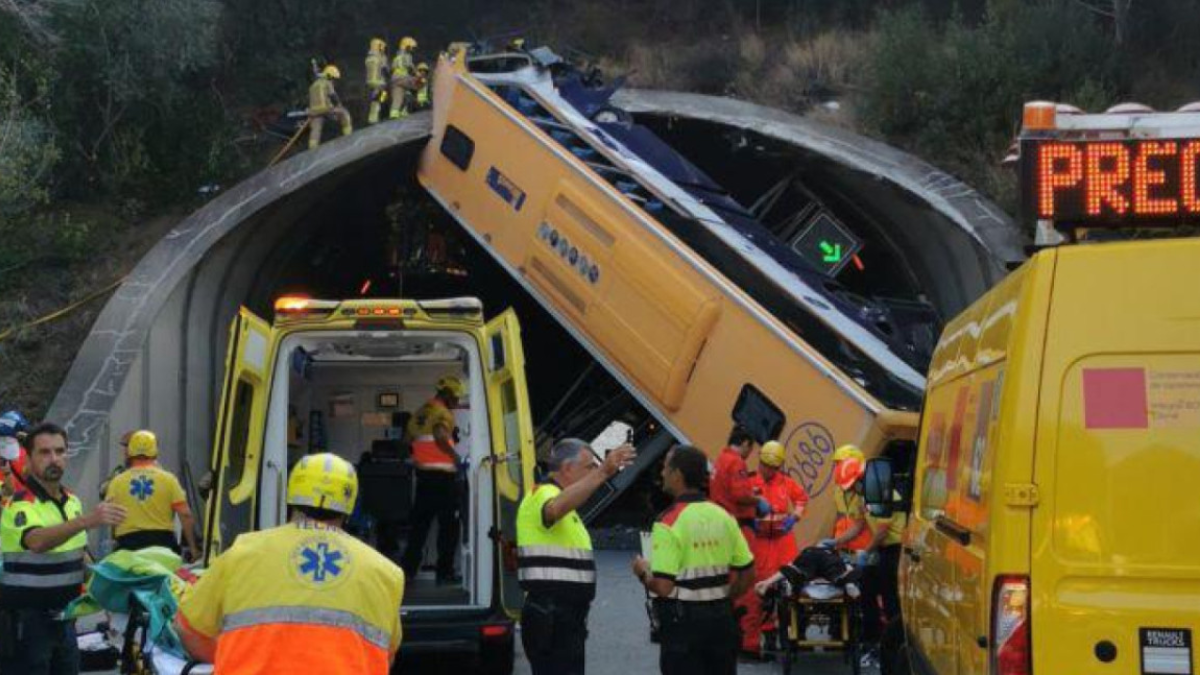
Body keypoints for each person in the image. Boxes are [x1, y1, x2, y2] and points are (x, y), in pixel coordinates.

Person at [176, 453, 405, 674]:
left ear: (291, 493)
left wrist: (234, 660)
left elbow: (188, 628)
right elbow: (385, 654)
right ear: (350, 503)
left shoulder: (243, 552)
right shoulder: (385, 573)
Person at [0, 422, 127, 675]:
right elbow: (37, 541)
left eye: (60, 451)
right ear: (30, 458)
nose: (54, 459)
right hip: (26, 625)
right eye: (44, 453)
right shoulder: (19, 504)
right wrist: (89, 520)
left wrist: (114, 586)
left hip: (65, 621)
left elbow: (76, 557)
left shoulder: (73, 502)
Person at [632, 445, 755, 675]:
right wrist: (726, 597)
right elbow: (748, 572)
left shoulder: (668, 522)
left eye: (665, 468)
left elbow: (663, 587)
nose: (662, 474)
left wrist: (642, 572)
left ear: (677, 474)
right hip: (722, 620)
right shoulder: (724, 516)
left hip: (683, 626)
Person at [517, 437, 635, 675]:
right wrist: (603, 472)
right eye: (589, 466)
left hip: (562, 615)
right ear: (568, 468)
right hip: (551, 614)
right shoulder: (543, 493)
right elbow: (554, 508)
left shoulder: (564, 505)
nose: (592, 472)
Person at [400, 376, 466, 583]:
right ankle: (444, 572)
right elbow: (439, 435)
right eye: (455, 397)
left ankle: (408, 570)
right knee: (449, 527)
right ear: (446, 394)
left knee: (419, 527)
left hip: (423, 479)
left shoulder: (421, 412)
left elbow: (405, 441)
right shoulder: (442, 413)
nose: (456, 402)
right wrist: (457, 459)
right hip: (444, 480)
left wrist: (418, 458)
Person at [819, 444, 881, 661]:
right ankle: (840, 635)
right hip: (843, 547)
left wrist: (862, 550)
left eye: (839, 463)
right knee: (842, 594)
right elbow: (840, 518)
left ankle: (865, 639)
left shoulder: (864, 491)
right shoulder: (841, 487)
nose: (836, 468)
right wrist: (833, 542)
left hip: (862, 549)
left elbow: (861, 525)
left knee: (865, 598)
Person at [747, 440, 808, 654]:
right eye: (766, 465)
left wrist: (795, 517)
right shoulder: (750, 481)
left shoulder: (786, 482)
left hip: (783, 542)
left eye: (773, 467)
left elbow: (801, 498)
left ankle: (795, 633)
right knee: (761, 591)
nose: (769, 470)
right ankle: (768, 634)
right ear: (760, 461)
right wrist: (749, 520)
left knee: (791, 586)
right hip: (761, 542)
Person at [708, 425, 762, 655]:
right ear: (746, 443)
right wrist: (757, 500)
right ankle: (748, 643)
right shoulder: (737, 462)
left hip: (722, 526)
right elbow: (740, 495)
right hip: (738, 527)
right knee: (747, 581)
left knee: (727, 578)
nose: (750, 454)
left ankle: (726, 636)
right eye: (751, 448)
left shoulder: (720, 459)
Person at [104, 430, 199, 559]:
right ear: (155, 451)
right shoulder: (169, 480)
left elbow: (111, 517)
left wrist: (115, 542)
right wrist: (194, 549)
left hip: (128, 549)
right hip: (163, 548)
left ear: (130, 452)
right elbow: (185, 515)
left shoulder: (116, 482)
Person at [308, 64, 352, 149]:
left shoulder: (313, 85)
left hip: (314, 111)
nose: (334, 81)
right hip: (326, 109)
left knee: (316, 128)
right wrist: (340, 106)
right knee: (344, 113)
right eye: (333, 78)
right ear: (329, 76)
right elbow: (333, 96)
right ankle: (349, 136)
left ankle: (312, 148)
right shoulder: (327, 82)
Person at [388, 36, 417, 119]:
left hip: (394, 79)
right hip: (403, 78)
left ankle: (394, 113)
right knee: (420, 83)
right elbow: (411, 67)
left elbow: (391, 69)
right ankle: (423, 101)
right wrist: (418, 75)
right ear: (407, 46)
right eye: (411, 47)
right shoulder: (407, 56)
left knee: (398, 97)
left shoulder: (396, 57)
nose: (412, 49)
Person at [365, 38, 388, 125]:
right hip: (379, 82)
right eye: (382, 47)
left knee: (375, 99)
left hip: (370, 82)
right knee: (380, 98)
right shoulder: (381, 57)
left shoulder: (369, 58)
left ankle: (373, 118)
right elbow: (384, 69)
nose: (383, 49)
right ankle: (374, 118)